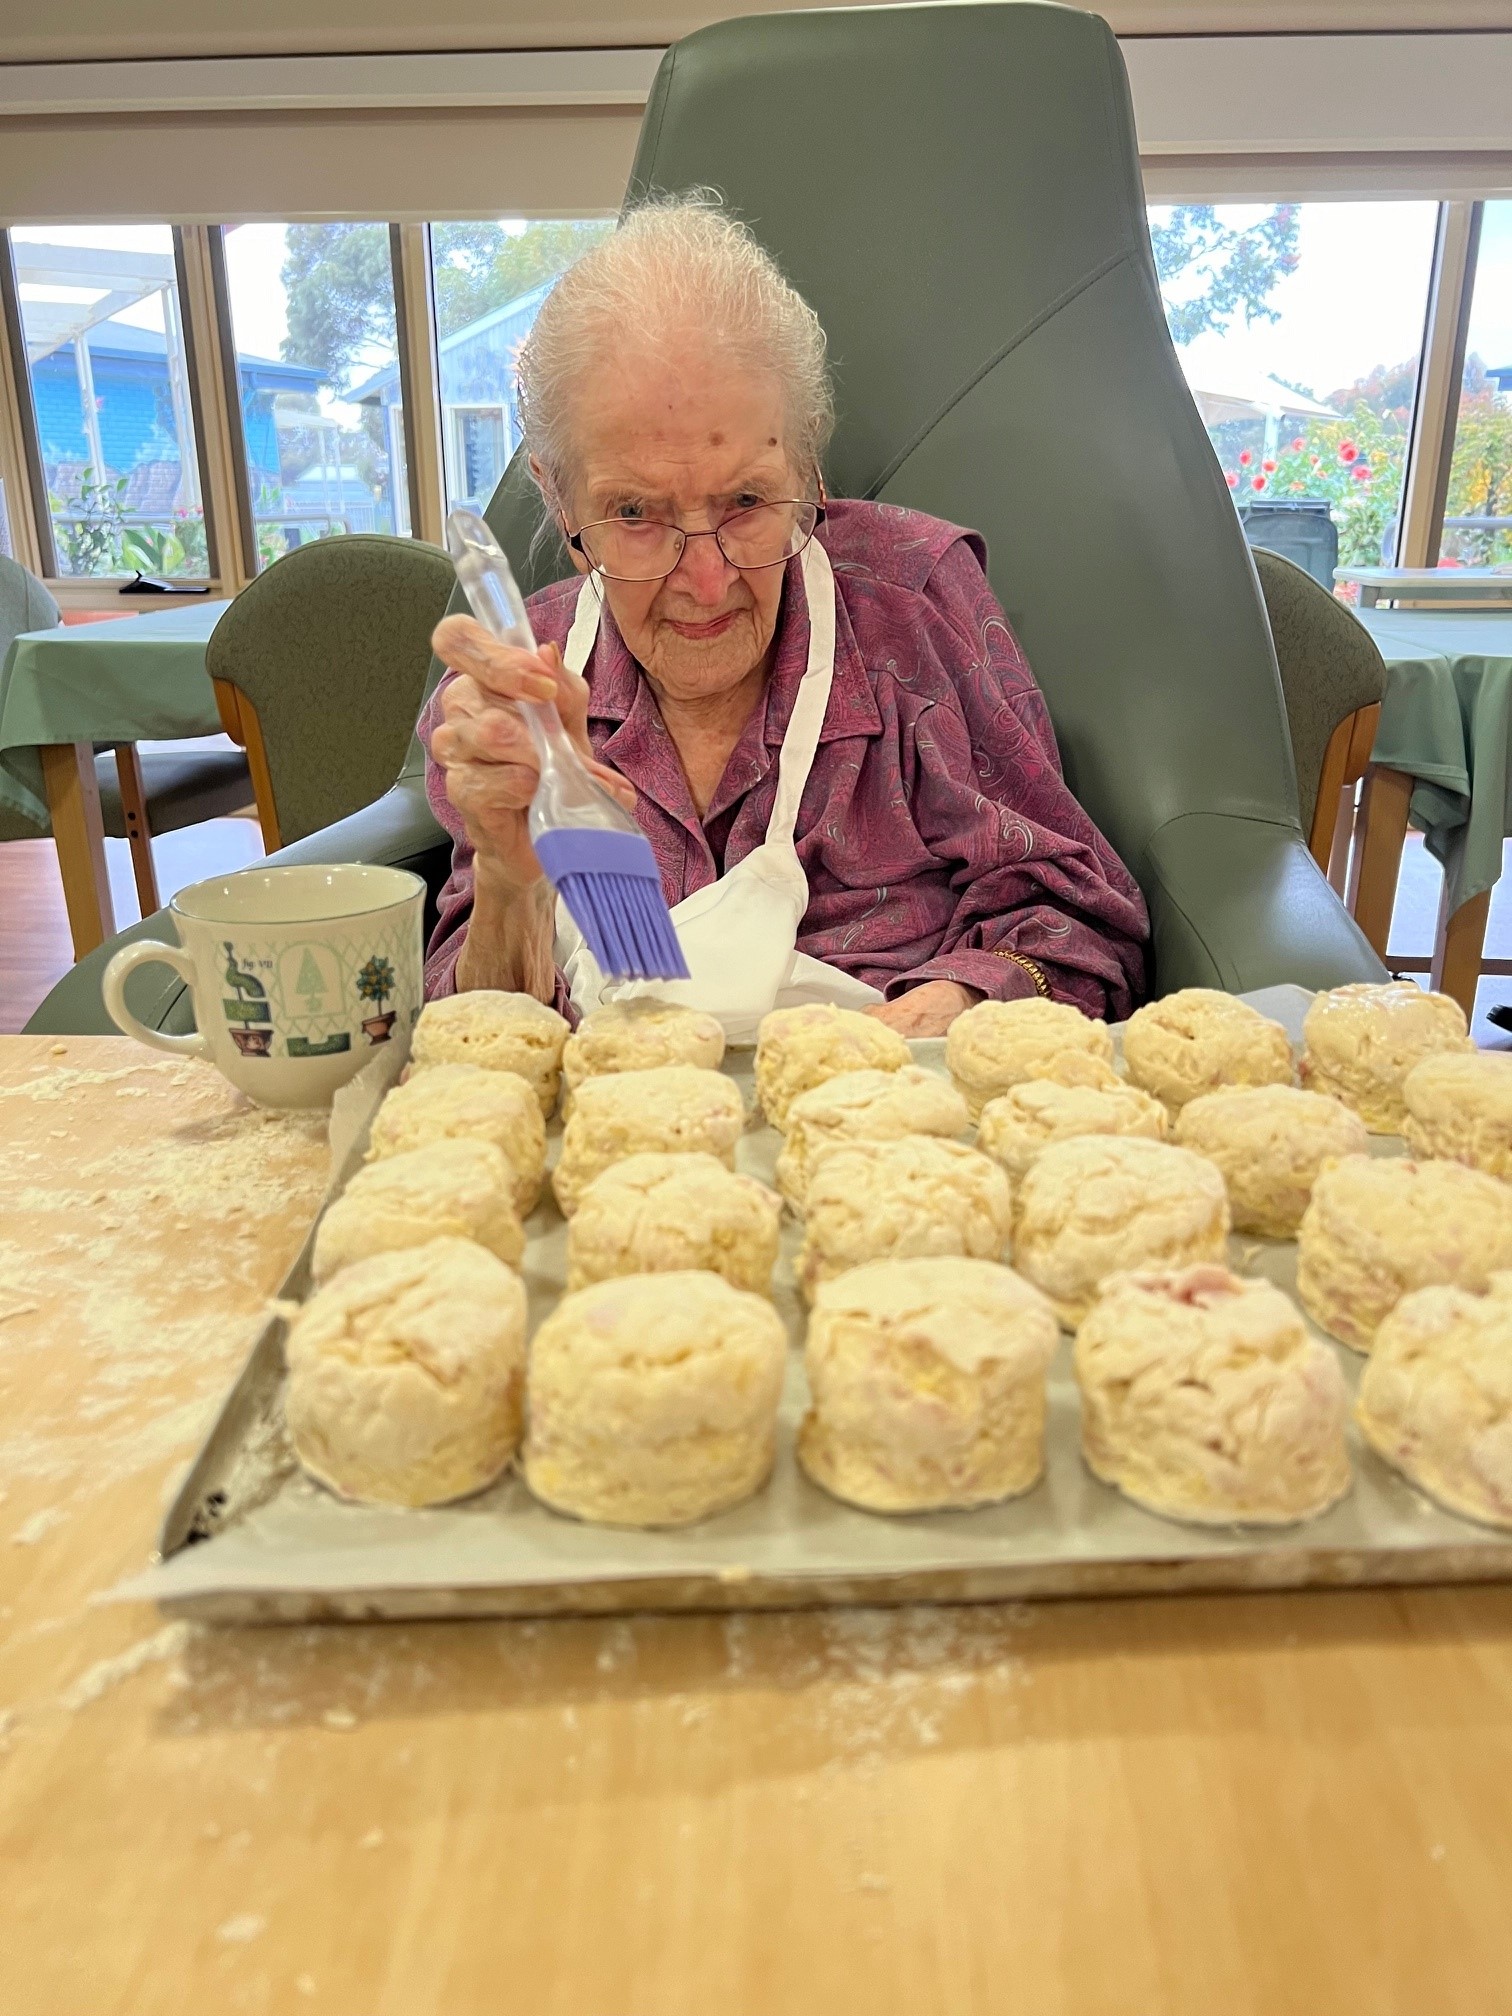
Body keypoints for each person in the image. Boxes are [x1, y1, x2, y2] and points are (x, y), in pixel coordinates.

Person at [420, 195, 1148, 1039]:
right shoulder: (509, 708)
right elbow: (477, 1047)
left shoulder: (916, 613)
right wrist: (512, 882)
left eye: (746, 500)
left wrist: (964, 1003)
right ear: (558, 501)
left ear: (807, 462)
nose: (704, 579)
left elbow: (1079, 922)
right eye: (634, 514)